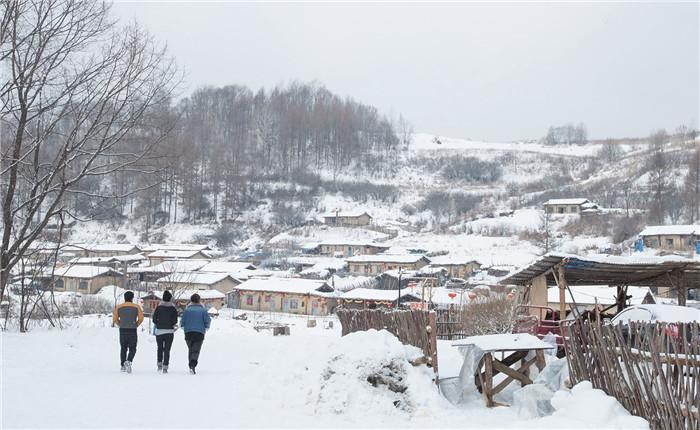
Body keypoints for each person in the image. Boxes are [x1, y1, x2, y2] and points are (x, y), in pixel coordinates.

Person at [112, 291, 144, 373]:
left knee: (123, 348)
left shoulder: (118, 307)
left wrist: (120, 324)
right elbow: (141, 318)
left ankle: (122, 365)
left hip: (122, 330)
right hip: (132, 330)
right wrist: (136, 324)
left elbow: (115, 319)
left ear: (124, 298)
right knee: (133, 348)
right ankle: (129, 361)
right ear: (132, 298)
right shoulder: (137, 307)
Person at [180, 293, 211, 375]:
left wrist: (183, 326)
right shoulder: (203, 310)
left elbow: (182, 321)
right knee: (196, 350)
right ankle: (192, 364)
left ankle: (191, 365)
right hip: (199, 332)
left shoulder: (187, 310)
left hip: (188, 332)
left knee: (191, 349)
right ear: (199, 300)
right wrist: (207, 327)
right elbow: (207, 320)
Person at [151, 290, 178, 374]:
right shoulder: (173, 308)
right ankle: (165, 366)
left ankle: (159, 364)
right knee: (167, 350)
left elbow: (154, 319)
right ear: (170, 299)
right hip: (169, 332)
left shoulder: (158, 308)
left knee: (159, 348)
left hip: (159, 331)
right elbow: (175, 321)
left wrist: (159, 323)